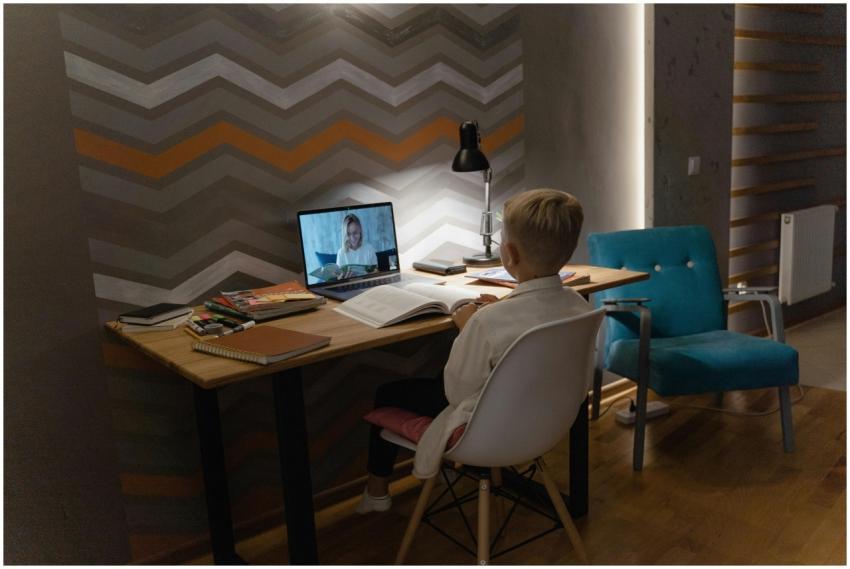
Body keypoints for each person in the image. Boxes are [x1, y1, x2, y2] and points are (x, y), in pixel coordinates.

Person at [356, 188, 591, 513]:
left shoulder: (488, 323)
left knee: (388, 391)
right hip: (545, 422)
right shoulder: (579, 306)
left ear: (509, 254)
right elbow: (533, 323)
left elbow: (456, 391)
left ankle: (376, 494)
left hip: (489, 431)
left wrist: (472, 325)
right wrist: (495, 314)